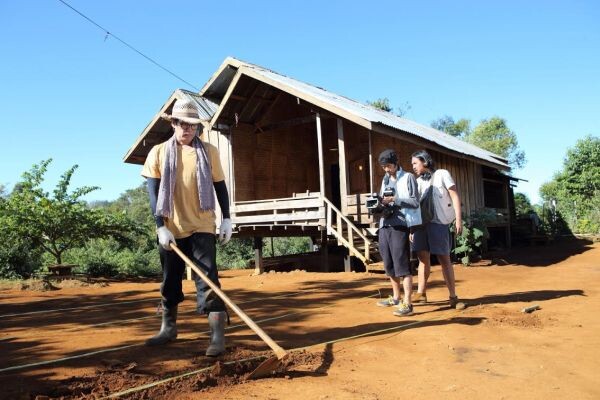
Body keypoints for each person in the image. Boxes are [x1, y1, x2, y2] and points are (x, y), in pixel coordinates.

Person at [141, 98, 233, 356]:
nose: (187, 129)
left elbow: (220, 186)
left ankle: (216, 338)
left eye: (192, 125)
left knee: (208, 278)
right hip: (171, 227)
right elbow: (153, 192)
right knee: (170, 280)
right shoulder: (158, 152)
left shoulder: (209, 152)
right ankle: (168, 329)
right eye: (182, 124)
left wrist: (226, 217)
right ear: (173, 123)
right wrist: (160, 225)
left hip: (202, 224)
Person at [410, 150, 465, 310]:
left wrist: (458, 218)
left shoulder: (442, 174)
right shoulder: (418, 182)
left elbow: (454, 195)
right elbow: (414, 207)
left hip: (439, 223)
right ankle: (421, 294)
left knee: (444, 259)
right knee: (422, 259)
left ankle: (453, 297)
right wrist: (412, 229)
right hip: (421, 225)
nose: (413, 166)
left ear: (425, 162)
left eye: (415, 163)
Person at [374, 149, 421, 317]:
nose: (386, 170)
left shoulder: (408, 177)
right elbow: (383, 200)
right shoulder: (385, 180)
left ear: (396, 163)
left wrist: (394, 199)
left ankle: (407, 303)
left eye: (388, 166)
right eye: (383, 167)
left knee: (402, 265)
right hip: (384, 225)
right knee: (389, 264)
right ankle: (395, 297)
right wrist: (378, 205)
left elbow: (415, 202)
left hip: (401, 225)